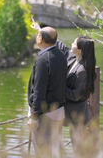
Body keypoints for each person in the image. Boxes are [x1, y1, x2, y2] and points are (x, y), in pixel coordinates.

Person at [27, 25, 68, 158]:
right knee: (54, 151)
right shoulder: (61, 56)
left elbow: (39, 90)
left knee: (42, 151)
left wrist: (33, 117)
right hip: (58, 111)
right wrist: (40, 30)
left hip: (45, 115)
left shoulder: (43, 60)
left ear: (40, 39)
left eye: (38, 35)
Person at [64, 36, 96, 156]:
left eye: (74, 42)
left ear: (80, 50)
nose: (71, 43)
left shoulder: (83, 70)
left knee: (79, 151)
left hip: (78, 116)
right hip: (73, 115)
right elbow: (62, 47)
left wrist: (57, 87)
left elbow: (75, 95)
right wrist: (41, 31)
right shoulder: (74, 59)